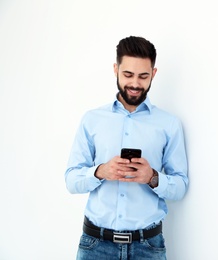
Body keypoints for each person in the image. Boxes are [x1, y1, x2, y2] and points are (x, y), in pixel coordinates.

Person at [65, 35, 189, 260]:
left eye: (143, 76)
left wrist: (152, 177)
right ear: (116, 69)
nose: (135, 84)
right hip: (96, 246)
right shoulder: (92, 120)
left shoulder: (169, 124)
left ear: (153, 74)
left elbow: (180, 185)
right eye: (128, 74)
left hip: (148, 247)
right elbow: (71, 180)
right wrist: (100, 171)